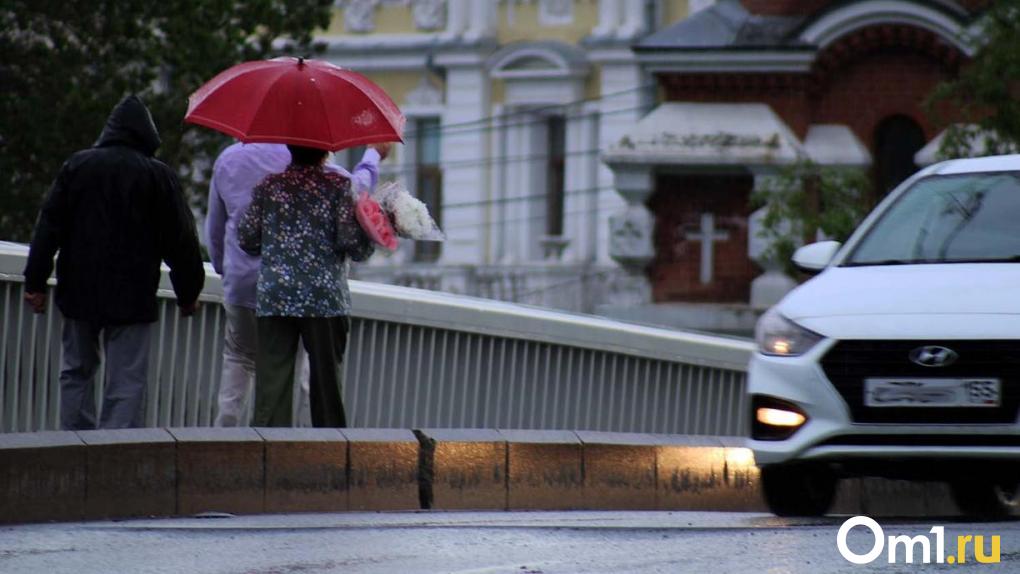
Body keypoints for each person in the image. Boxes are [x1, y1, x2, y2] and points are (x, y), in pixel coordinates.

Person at [23, 95, 205, 430]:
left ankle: (73, 447)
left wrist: (35, 282)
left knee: (76, 370)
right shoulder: (157, 176)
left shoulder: (77, 166)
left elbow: (48, 227)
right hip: (133, 293)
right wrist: (188, 291)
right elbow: (180, 241)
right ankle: (115, 454)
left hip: (78, 288)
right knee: (127, 380)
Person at [206, 142, 387, 426]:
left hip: (275, 297)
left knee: (272, 385)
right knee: (325, 383)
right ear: (326, 151)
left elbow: (248, 240)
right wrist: (373, 236)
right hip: (323, 300)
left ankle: (269, 452)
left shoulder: (270, 186)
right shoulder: (338, 185)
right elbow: (354, 246)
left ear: (290, 148)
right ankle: (326, 451)